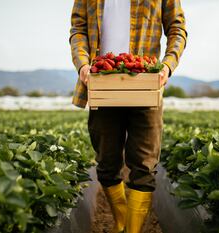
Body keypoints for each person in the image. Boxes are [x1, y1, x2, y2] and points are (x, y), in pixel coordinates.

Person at [69, 0, 187, 232]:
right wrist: (83, 65)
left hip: (145, 81)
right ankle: (121, 222)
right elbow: (78, 29)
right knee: (106, 162)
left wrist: (167, 66)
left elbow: (177, 28)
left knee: (144, 165)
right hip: (102, 80)